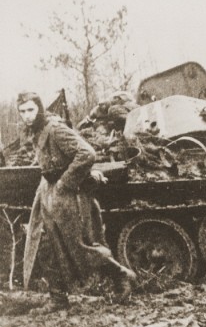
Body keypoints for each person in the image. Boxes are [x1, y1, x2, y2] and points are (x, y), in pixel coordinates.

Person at [18, 92, 136, 311]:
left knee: (78, 246)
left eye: (31, 110)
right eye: (22, 111)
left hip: (67, 193)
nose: (27, 115)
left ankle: (121, 275)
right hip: (48, 190)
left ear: (39, 109)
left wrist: (65, 183)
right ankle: (58, 298)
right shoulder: (36, 130)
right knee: (47, 245)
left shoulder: (55, 128)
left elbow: (87, 153)